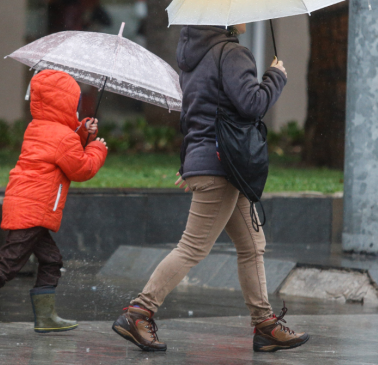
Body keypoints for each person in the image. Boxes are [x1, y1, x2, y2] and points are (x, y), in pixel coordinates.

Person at [112, 24, 309, 353]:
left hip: (217, 163)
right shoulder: (232, 53)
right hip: (223, 164)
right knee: (192, 248)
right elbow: (252, 104)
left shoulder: (194, 58)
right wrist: (276, 76)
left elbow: (191, 114)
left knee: (251, 244)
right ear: (227, 19)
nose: (248, 18)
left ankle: (265, 326)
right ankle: (140, 311)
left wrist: (189, 161)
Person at [0, 69, 108, 335]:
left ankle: (46, 318)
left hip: (26, 204)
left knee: (51, 260)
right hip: (35, 209)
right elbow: (81, 169)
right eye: (75, 105)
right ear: (65, 103)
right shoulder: (63, 138)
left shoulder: (38, 127)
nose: (77, 110)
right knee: (8, 264)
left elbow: (62, 142)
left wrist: (82, 130)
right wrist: (97, 147)